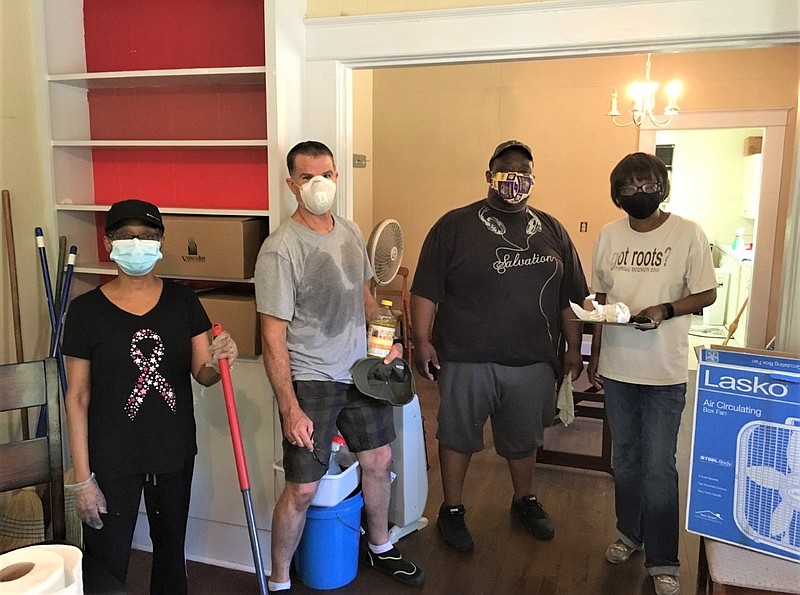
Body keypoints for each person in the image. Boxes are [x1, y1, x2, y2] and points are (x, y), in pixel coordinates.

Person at [254, 140, 424, 592]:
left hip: (361, 375)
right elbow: (272, 338)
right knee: (304, 488)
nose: (319, 184)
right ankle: (279, 580)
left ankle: (381, 546)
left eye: (326, 174)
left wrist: (389, 343)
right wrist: (290, 407)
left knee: (378, 459)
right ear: (292, 185)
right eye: (308, 177)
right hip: (311, 380)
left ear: (337, 178)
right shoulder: (280, 249)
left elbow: (367, 300)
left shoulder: (349, 232)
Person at [411, 140, 588, 552]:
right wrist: (421, 341)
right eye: (505, 169)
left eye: (523, 169)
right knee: (456, 435)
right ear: (489, 175)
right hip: (466, 355)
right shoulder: (454, 225)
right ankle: (451, 509)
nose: (514, 176)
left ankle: (523, 500)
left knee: (523, 438)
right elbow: (425, 289)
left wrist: (573, 349)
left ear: (533, 177)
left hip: (532, 360)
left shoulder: (552, 229)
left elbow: (571, 298)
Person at [62, 199, 238, 594]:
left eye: (147, 236)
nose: (136, 244)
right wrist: (82, 479)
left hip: (172, 453)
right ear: (109, 243)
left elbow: (203, 373)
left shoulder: (183, 301)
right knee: (106, 561)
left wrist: (223, 356)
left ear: (160, 242)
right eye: (126, 236)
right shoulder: (85, 311)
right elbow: (76, 397)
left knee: (172, 556)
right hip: (110, 457)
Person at [587, 152, 717, 595]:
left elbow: (706, 293)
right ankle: (629, 534)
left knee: (659, 466)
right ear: (617, 192)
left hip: (664, 370)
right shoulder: (607, 235)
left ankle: (664, 559)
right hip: (619, 368)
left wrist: (665, 309)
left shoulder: (688, 234)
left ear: (661, 187)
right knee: (624, 460)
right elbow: (601, 300)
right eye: (629, 187)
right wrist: (594, 354)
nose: (638, 193)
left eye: (647, 185)